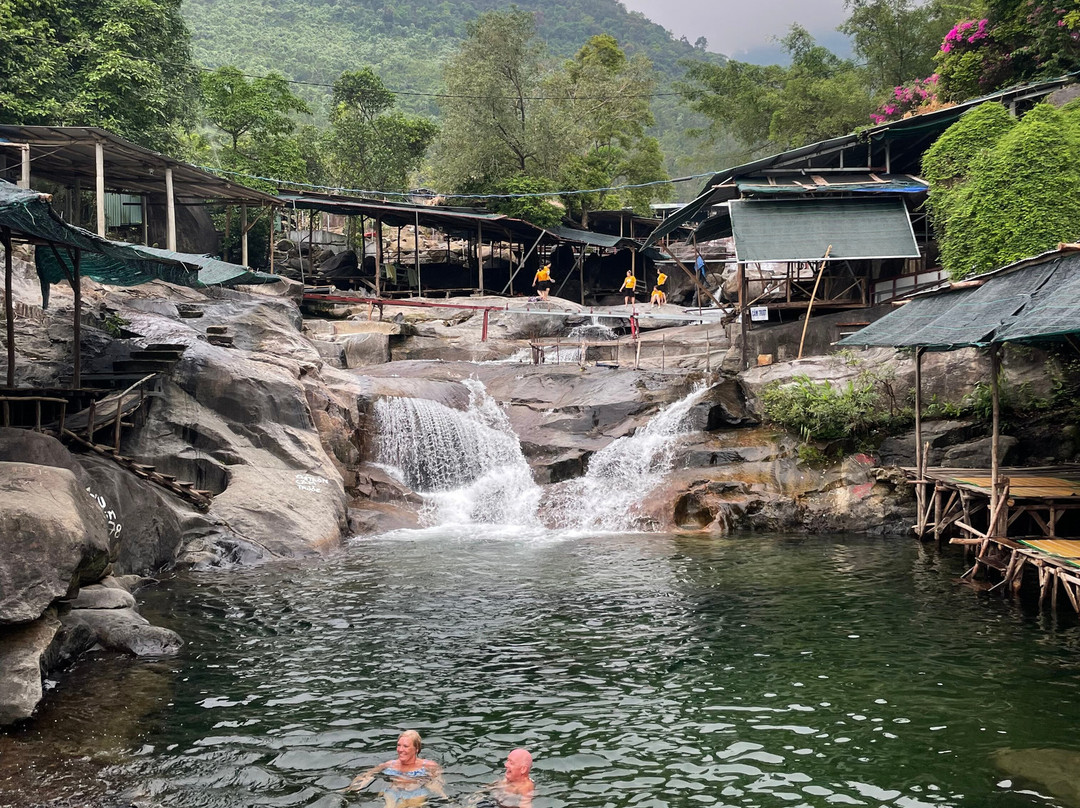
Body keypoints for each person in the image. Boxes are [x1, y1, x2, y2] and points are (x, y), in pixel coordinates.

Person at [345, 730, 447, 808]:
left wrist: (444, 797)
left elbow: (437, 783)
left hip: (416, 794)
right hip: (392, 793)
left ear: (416, 749)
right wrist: (352, 788)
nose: (400, 750)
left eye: (405, 746)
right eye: (399, 745)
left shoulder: (429, 766)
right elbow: (368, 775)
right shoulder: (389, 764)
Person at [466, 748, 535, 808]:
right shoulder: (507, 780)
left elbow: (525, 805)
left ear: (523, 769)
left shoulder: (525, 786)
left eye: (511, 763)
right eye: (507, 761)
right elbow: (493, 787)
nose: (506, 765)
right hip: (495, 802)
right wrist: (478, 793)